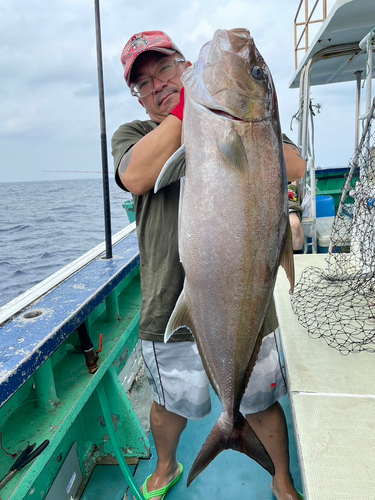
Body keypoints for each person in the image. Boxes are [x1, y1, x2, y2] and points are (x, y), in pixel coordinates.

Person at [112, 31, 306, 500]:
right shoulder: (135, 135)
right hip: (170, 301)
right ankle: (165, 466)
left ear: (186, 67)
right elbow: (136, 175)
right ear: (138, 100)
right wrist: (194, 114)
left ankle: (280, 476)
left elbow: (295, 165)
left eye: (164, 69)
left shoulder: (253, 120)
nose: (157, 84)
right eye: (143, 83)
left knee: (259, 400)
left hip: (245, 301)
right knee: (169, 403)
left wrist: (240, 124)